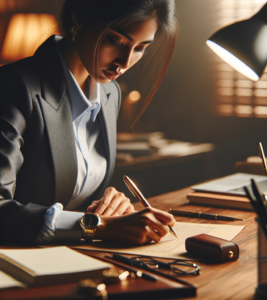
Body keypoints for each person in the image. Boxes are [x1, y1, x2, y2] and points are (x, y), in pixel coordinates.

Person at [0, 0, 178, 245]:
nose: (125, 62)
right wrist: (96, 226)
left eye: (141, 48)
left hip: (80, 253)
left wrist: (110, 202)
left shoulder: (109, 93)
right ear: (78, 20)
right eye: (116, 40)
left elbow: (77, 188)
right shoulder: (13, 89)